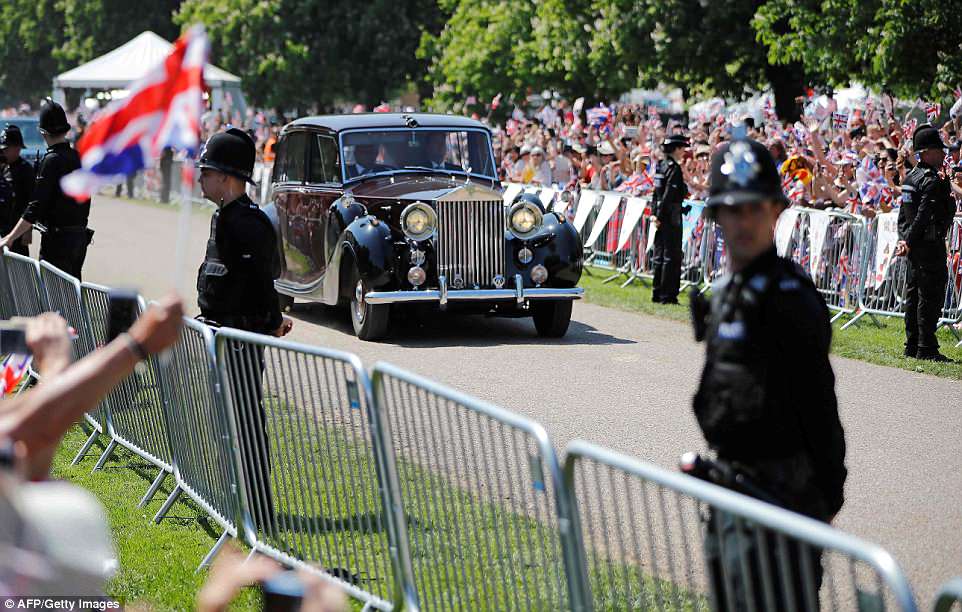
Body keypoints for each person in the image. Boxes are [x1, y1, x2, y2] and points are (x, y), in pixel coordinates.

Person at [690, 135, 847, 611]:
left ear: (776, 212)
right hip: (730, 497)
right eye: (733, 209)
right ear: (717, 216)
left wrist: (819, 502)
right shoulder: (724, 295)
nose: (745, 221)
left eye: (756, 208)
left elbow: (820, 407)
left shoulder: (789, 298)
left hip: (784, 500)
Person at [195, 127, 293, 531]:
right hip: (222, 333)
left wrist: (272, 321)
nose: (201, 178)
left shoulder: (248, 222)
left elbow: (259, 283)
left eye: (207, 171)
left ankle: (258, 506)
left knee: (246, 422)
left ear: (227, 178)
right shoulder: (226, 217)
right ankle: (234, 499)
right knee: (227, 419)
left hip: (239, 338)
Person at [0, 99, 92, 279]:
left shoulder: (51, 161)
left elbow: (35, 206)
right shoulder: (77, 157)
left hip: (57, 242)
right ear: (66, 129)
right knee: (72, 294)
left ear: (42, 132)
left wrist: (9, 238)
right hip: (78, 238)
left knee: (55, 299)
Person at [894, 125, 957, 362]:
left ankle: (912, 344)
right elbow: (922, 216)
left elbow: (903, 216)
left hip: (915, 245)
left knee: (914, 294)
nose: (943, 154)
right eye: (939, 150)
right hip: (928, 245)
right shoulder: (930, 180)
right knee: (929, 297)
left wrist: (905, 240)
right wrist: (909, 241)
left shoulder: (911, 178)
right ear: (928, 152)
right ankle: (926, 347)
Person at [650, 134, 690, 304]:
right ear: (676, 149)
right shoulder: (674, 168)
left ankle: (657, 292)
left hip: (662, 216)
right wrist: (660, 215)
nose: (684, 152)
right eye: (682, 149)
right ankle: (668, 295)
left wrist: (655, 213)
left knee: (660, 255)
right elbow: (667, 195)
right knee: (670, 257)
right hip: (671, 217)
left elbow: (655, 193)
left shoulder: (661, 165)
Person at [0, 125, 33, 256]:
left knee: (17, 271)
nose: (3, 152)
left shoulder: (26, 170)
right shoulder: (5, 167)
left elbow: (32, 202)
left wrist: (27, 230)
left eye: (6, 149)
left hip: (17, 231)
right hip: (4, 228)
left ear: (17, 148)